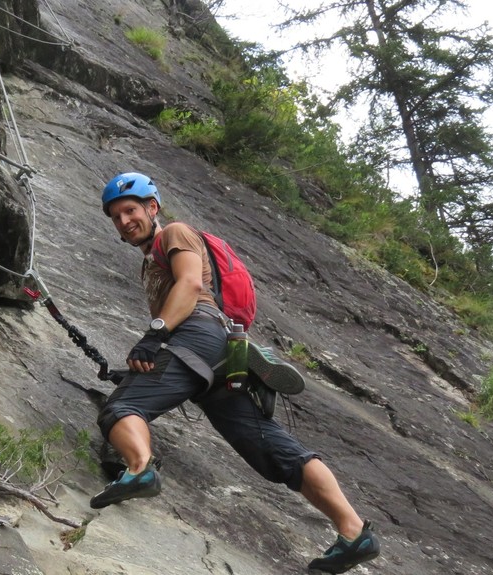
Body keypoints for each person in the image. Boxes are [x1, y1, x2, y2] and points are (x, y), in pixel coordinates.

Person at [92, 172, 381, 574]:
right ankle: (354, 532)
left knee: (122, 406)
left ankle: (139, 470)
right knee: (268, 447)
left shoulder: (173, 233)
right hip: (218, 350)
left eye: (130, 210)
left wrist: (154, 336)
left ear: (152, 208)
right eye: (116, 216)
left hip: (197, 331)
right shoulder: (151, 259)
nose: (124, 221)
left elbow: (191, 284)